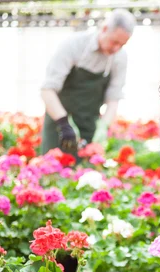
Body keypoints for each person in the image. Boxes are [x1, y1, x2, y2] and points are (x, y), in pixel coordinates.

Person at [40, 9, 136, 159]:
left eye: (122, 45)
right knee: (53, 170)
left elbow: (114, 98)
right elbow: (47, 90)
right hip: (59, 126)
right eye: (114, 42)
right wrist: (64, 123)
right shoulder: (73, 45)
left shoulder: (119, 58)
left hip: (89, 125)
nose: (116, 48)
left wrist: (103, 126)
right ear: (104, 29)